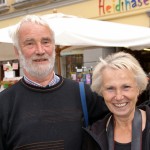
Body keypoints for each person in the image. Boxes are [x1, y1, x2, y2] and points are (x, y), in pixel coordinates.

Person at [0, 15, 108, 150]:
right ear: (17, 51)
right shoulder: (3, 103)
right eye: (30, 43)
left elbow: (118, 127)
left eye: (46, 42)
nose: (40, 50)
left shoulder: (83, 94)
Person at [82, 52, 150, 150]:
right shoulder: (93, 136)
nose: (118, 97)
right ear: (101, 92)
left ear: (138, 88)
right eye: (110, 88)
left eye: (126, 87)